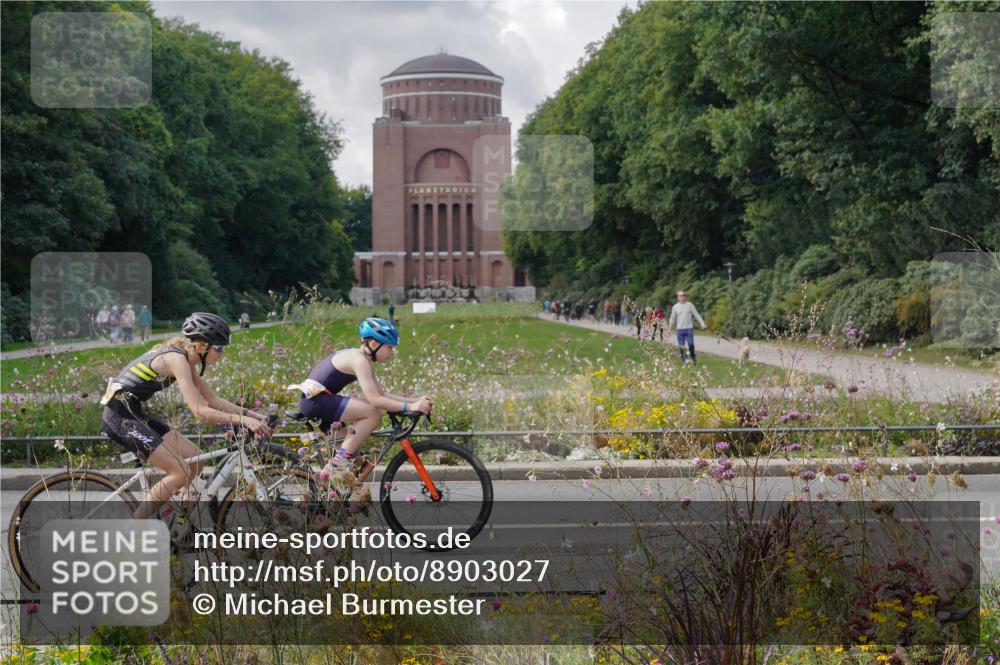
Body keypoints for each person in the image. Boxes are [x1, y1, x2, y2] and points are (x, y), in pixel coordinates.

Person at [100, 313, 273, 518]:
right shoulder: (177, 360)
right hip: (119, 418)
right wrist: (244, 421)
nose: (221, 354)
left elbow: (212, 400)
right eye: (219, 348)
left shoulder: (186, 360)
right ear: (201, 346)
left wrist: (254, 416)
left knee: (196, 459)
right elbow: (200, 411)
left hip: (133, 413)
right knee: (180, 471)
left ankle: (176, 520)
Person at [290, 317, 432, 478]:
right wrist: (411, 408)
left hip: (316, 401)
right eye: (390, 348)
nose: (392, 353)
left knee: (355, 463)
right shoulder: (359, 361)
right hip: (315, 402)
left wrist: (416, 401)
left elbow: (382, 394)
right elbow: (376, 401)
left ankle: (336, 493)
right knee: (372, 413)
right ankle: (336, 465)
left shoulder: (360, 357)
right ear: (373, 344)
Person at [667, 290, 707, 364]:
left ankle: (693, 357)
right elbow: (672, 318)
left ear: (685, 297)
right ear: (678, 297)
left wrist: (702, 323)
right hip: (680, 329)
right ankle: (684, 360)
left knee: (691, 344)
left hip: (689, 328)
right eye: (680, 296)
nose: (682, 297)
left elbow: (696, 314)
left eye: (683, 295)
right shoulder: (675, 307)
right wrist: (669, 328)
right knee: (681, 346)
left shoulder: (689, 305)